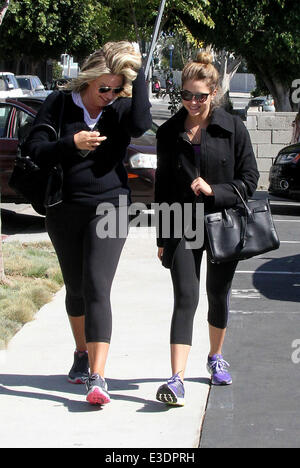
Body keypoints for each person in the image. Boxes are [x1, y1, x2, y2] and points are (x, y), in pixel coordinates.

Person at [25, 41, 152, 405]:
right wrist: (72, 143)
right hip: (64, 207)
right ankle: (81, 353)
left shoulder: (120, 108)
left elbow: (142, 124)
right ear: (89, 80)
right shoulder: (60, 103)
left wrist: (139, 72)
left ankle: (97, 376)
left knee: (97, 286)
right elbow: (34, 149)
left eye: (117, 88)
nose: (110, 95)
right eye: (104, 88)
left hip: (111, 205)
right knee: (77, 288)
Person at [154, 51, 259, 406]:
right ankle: (176, 379)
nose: (194, 102)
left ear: (213, 93)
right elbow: (163, 189)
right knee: (185, 297)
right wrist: (162, 238)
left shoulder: (233, 127)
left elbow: (250, 180)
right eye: (187, 95)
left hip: (222, 224)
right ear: (180, 94)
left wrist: (217, 191)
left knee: (217, 294)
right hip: (182, 225)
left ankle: (215, 357)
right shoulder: (169, 133)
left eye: (201, 95)